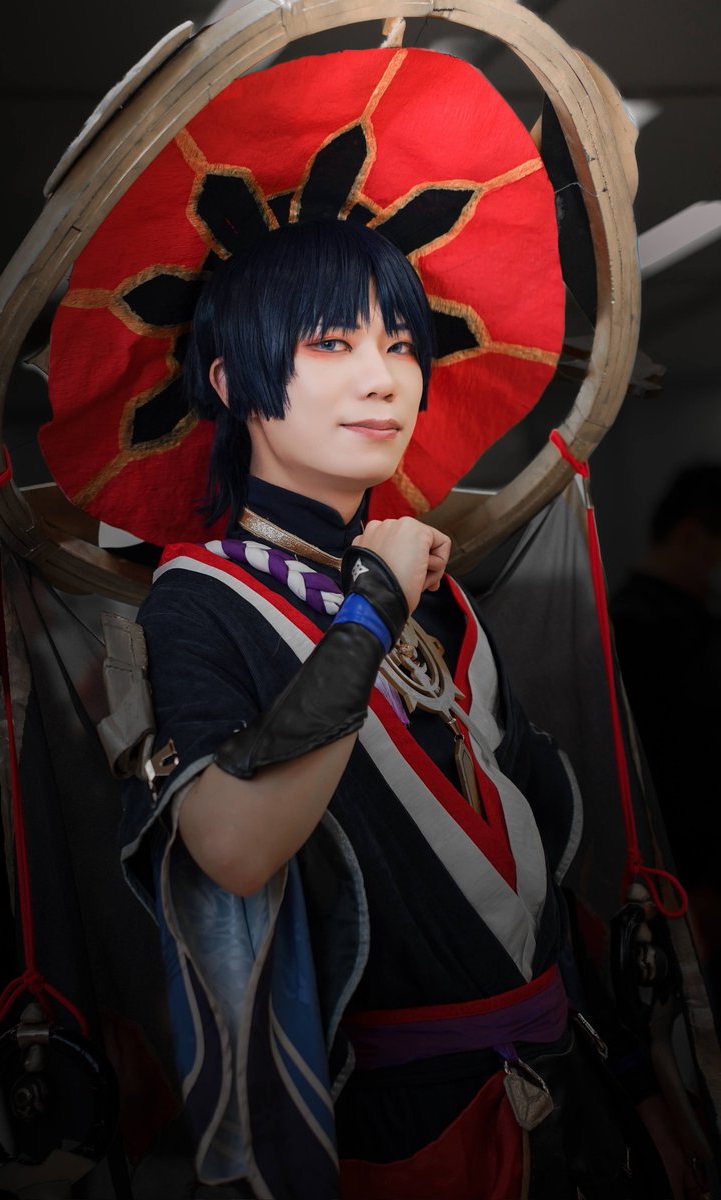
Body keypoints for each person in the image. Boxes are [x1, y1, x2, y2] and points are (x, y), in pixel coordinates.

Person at [117, 218, 670, 1199]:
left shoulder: (436, 591)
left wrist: (636, 1079)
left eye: (402, 345)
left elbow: (532, 863)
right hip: (392, 1130)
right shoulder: (199, 598)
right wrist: (371, 607)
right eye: (333, 343)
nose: (383, 380)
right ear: (230, 382)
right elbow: (232, 849)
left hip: (565, 1091)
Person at [610, 464, 721, 1016]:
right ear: (692, 536)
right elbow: (662, 770)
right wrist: (691, 882)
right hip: (683, 881)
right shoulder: (641, 630)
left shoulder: (686, 623)